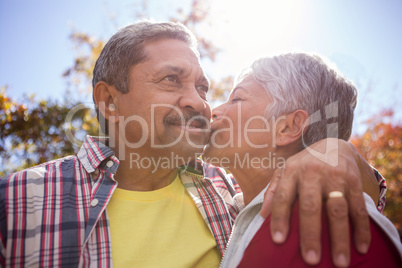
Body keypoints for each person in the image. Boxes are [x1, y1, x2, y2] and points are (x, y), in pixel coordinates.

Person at [0, 21, 385, 267]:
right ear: (109, 101)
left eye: (203, 87)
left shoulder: (229, 195)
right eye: (171, 80)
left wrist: (339, 152)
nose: (201, 103)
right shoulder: (18, 201)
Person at [202, 52, 402, 267]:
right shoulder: (229, 203)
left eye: (237, 99)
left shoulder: (324, 223)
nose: (215, 111)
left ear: (289, 127)